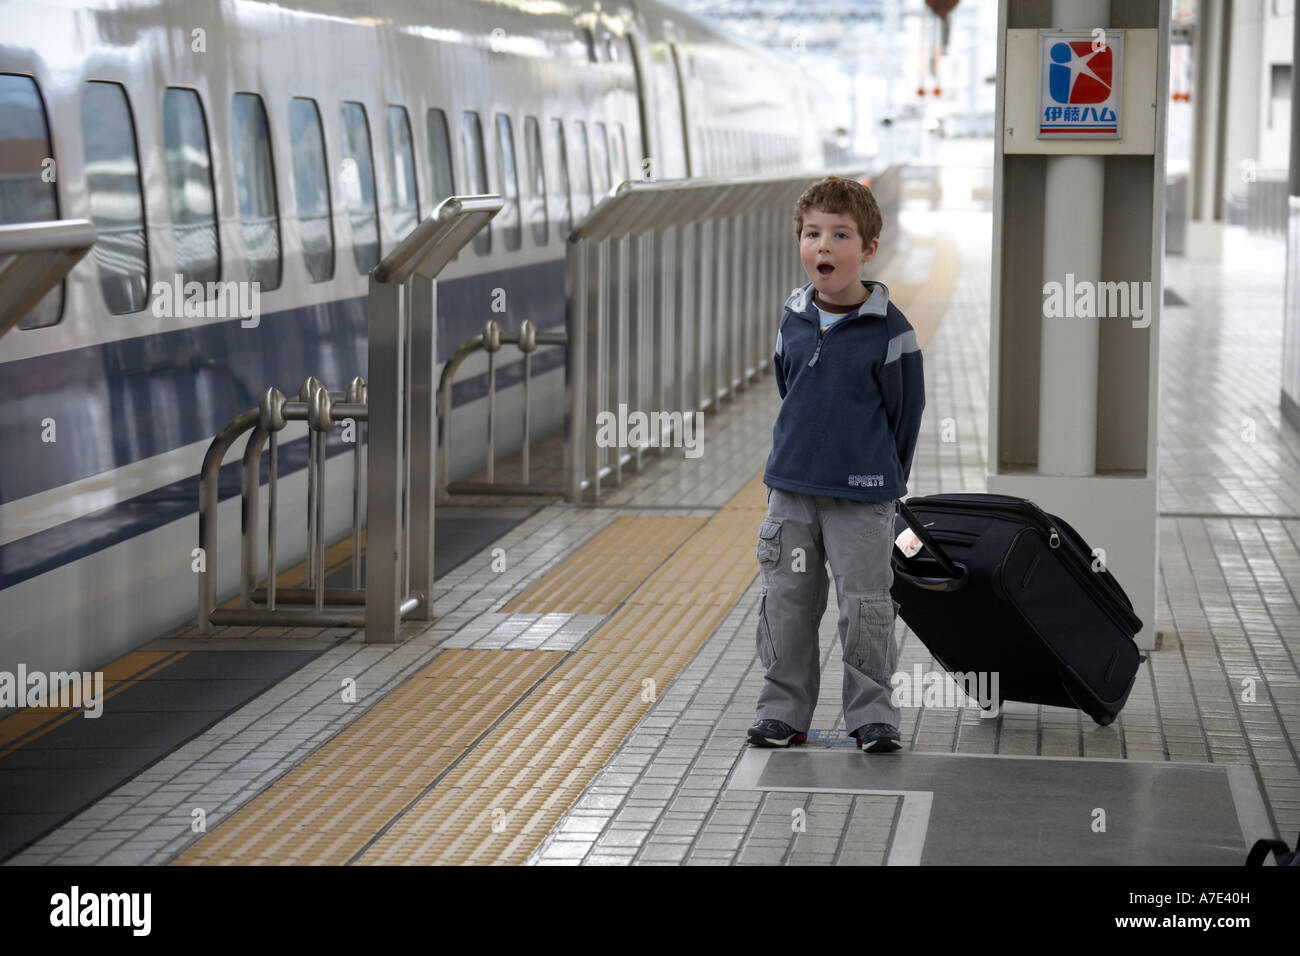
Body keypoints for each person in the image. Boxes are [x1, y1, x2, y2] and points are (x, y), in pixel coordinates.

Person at [748, 175, 925, 754]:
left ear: (868, 248)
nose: (823, 246)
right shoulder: (792, 319)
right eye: (812, 233)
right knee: (787, 603)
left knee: (865, 607)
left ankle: (872, 715)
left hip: (862, 495)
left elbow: (906, 412)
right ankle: (782, 712)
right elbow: (787, 386)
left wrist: (879, 478)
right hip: (792, 490)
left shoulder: (891, 331)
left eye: (840, 235)